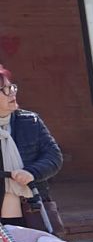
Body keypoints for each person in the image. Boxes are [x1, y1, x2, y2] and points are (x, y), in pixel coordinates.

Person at [0, 67, 63, 224]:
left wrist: (31, 172)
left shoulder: (30, 121)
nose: (12, 92)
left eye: (12, 87)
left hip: (30, 205)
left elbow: (54, 156)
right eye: (5, 89)